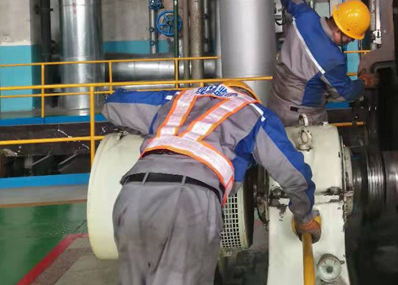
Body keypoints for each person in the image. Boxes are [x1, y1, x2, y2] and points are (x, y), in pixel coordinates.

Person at [102, 81, 321, 285]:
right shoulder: (254, 113)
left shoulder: (177, 100)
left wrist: (146, 129)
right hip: (189, 200)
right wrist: (304, 217)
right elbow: (294, 174)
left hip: (133, 192)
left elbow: (113, 105)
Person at [268, 0, 378, 126]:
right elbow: (344, 93)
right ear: (340, 31)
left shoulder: (305, 15)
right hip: (301, 118)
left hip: (275, 103)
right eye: (350, 38)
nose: (350, 41)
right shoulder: (332, 58)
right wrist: (364, 82)